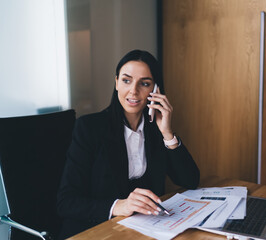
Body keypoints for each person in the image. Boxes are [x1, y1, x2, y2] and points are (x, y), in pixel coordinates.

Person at [57, 50, 200, 239]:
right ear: (116, 83)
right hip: (96, 231)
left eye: (145, 83)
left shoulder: (155, 129)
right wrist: (119, 205)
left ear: (155, 90)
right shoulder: (90, 128)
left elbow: (190, 180)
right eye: (126, 80)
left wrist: (167, 133)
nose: (133, 91)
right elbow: (66, 202)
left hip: (141, 230)